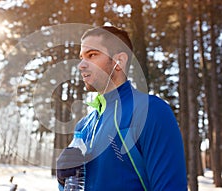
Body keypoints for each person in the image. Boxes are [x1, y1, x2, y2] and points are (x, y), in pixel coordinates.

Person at [56, 26, 188, 191]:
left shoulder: (151, 112)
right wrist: (63, 182)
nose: (81, 65)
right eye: (82, 57)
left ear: (119, 61)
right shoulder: (83, 126)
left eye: (92, 55)